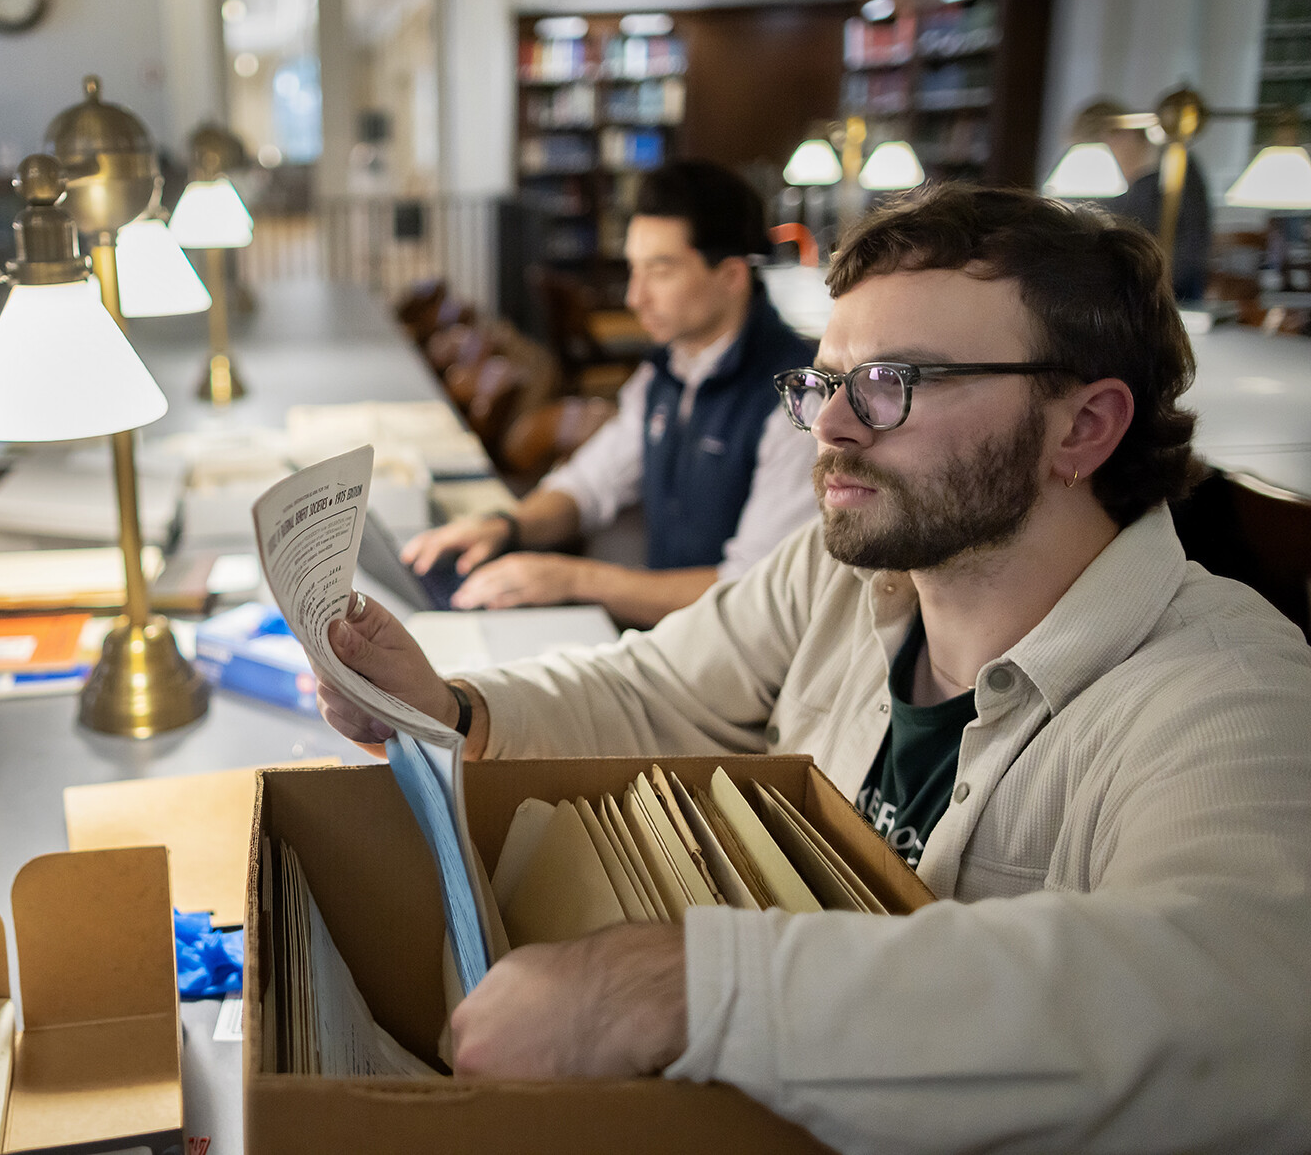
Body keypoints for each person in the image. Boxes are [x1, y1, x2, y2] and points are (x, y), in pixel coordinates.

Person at [317, 186, 1311, 1152]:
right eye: (824, 382)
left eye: (892, 384)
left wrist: (676, 986)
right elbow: (653, 688)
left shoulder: (1231, 686)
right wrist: (451, 702)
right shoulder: (844, 571)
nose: (829, 428)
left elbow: (1234, 1006)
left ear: (1082, 426)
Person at [402, 161, 818, 628]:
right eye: (633, 270)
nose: (635, 298)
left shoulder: (798, 402)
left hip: (744, 673)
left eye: (659, 272)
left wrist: (573, 580)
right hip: (673, 643)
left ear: (731, 277)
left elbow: (750, 593)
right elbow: (588, 484)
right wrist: (505, 526)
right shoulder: (666, 369)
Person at [1073, 98, 1212, 302]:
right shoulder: (1103, 180)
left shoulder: (1178, 164)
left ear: (1124, 133)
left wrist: (1146, 288)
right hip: (1111, 292)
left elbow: (1194, 242)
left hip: (1171, 292)